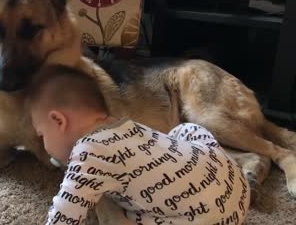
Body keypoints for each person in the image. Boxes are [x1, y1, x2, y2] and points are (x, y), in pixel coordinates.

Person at [26, 65, 250, 225]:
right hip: (235, 185)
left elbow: (64, 216)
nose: (43, 145)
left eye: (42, 134)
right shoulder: (129, 127)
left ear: (58, 121)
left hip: (208, 217)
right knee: (182, 131)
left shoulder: (87, 153)